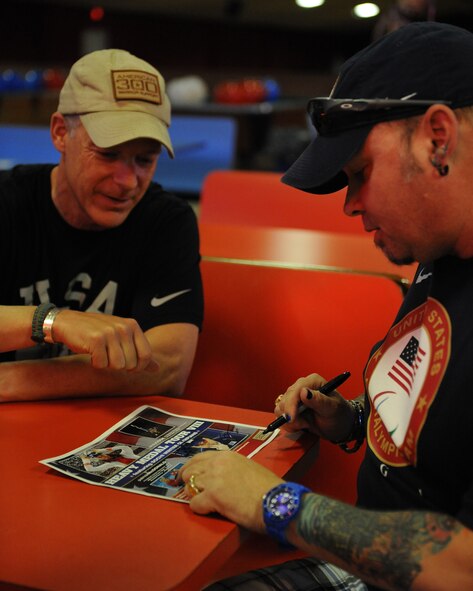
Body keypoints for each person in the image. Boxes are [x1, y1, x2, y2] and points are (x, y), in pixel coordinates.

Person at [178, 22, 473, 591]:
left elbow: (462, 566)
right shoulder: (441, 251)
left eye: (360, 173)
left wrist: (274, 503)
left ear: (438, 137)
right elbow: (446, 416)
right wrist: (350, 416)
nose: (350, 205)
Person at [0, 49, 203, 402]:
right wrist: (52, 322)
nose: (127, 180)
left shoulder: (166, 221)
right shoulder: (7, 201)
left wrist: (8, 381)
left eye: (144, 159)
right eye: (108, 154)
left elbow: (170, 365)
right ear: (61, 132)